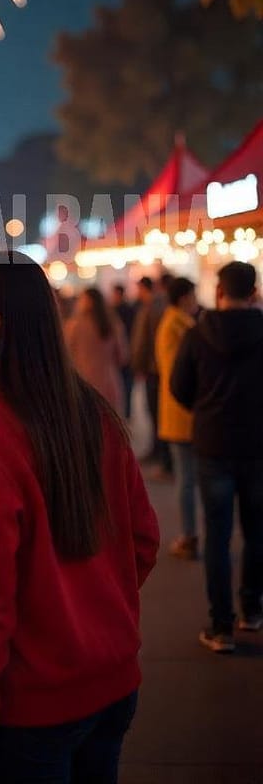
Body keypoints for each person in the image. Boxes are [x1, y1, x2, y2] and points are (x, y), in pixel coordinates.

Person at [0, 251, 159, 784]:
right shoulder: (90, 411)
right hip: (112, 685)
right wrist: (88, 609)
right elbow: (142, 540)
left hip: (32, 710)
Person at [171, 260, 263, 653]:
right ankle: (252, 610)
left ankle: (221, 626)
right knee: (257, 533)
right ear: (254, 292)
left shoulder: (197, 334)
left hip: (212, 446)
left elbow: (179, 387)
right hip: (258, 446)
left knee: (218, 535)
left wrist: (205, 410)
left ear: (220, 292)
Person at [155, 276, 199, 560]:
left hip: (180, 411)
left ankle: (191, 533)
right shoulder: (177, 326)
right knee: (187, 478)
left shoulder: (176, 323)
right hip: (183, 411)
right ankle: (188, 534)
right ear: (184, 297)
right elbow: (180, 374)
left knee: (189, 477)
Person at [131, 275, 172, 476]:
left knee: (156, 413)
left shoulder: (150, 308)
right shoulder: (161, 307)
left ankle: (164, 458)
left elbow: (143, 341)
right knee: (157, 414)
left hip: (152, 369)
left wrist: (138, 365)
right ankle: (160, 453)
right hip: (158, 368)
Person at [64, 287, 128, 415]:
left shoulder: (74, 326)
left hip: (83, 385)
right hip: (110, 383)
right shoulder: (113, 324)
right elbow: (122, 357)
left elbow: (66, 356)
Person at [110, 283, 136, 416]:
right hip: (129, 349)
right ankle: (127, 411)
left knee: (124, 382)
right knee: (127, 383)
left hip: (124, 350)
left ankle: (125, 410)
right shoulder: (130, 309)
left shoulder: (114, 312)